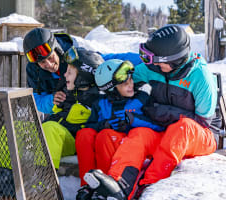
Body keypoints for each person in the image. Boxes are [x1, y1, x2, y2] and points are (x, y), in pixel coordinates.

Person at [83, 25, 218, 200]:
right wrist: (94, 62)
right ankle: (117, 187)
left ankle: (150, 185)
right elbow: (123, 71)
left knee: (182, 128)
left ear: (173, 60)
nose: (150, 62)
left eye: (154, 58)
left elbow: (203, 122)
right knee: (139, 134)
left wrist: (160, 112)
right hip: (163, 130)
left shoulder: (200, 77)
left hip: (200, 134)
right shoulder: (150, 69)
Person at [0, 46, 104, 194]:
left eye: (69, 73)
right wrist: (56, 104)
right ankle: (4, 175)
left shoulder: (96, 100)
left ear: (82, 78)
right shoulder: (66, 91)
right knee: (15, 125)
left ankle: (43, 180)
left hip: (70, 141)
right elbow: (57, 113)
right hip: (50, 137)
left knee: (50, 128)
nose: (65, 75)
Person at [74, 59, 164, 200]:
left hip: (132, 147)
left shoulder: (141, 99)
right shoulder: (101, 103)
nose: (131, 85)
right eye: (124, 84)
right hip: (107, 144)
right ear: (112, 90)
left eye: (130, 81)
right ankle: (87, 184)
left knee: (106, 135)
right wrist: (103, 124)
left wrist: (133, 120)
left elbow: (158, 125)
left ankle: (106, 186)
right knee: (84, 134)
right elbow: (90, 125)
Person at [23, 28, 142, 114]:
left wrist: (145, 58)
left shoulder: (74, 55)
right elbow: (37, 100)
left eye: (50, 57)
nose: (49, 64)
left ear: (56, 48)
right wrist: (51, 100)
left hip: (88, 110)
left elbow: (103, 61)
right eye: (42, 62)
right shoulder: (35, 72)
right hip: (63, 113)